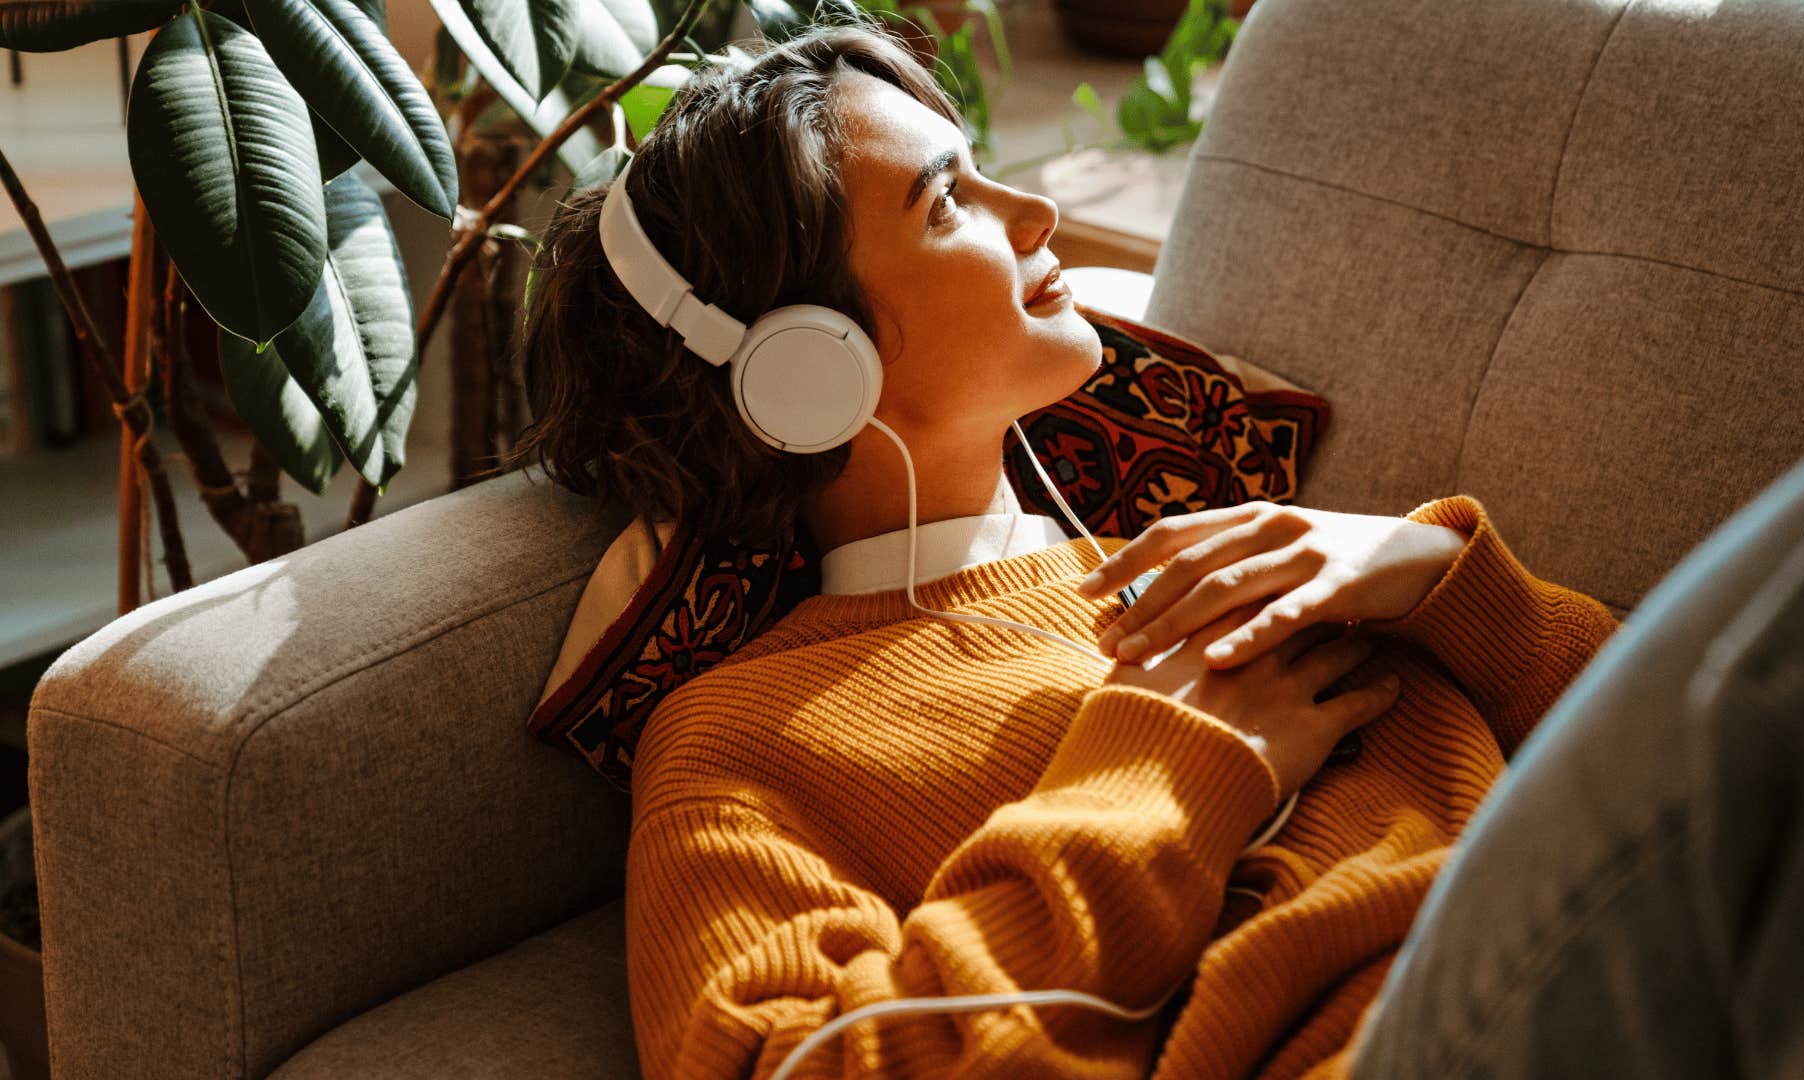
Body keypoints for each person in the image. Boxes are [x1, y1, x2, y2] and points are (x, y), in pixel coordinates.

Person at [497, 20, 1620, 1079]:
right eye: (946, 203)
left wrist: (1438, 582)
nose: (1032, 207)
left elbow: (1667, 730)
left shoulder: (1218, 551)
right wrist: (1161, 776)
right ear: (808, 367)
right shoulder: (736, 745)